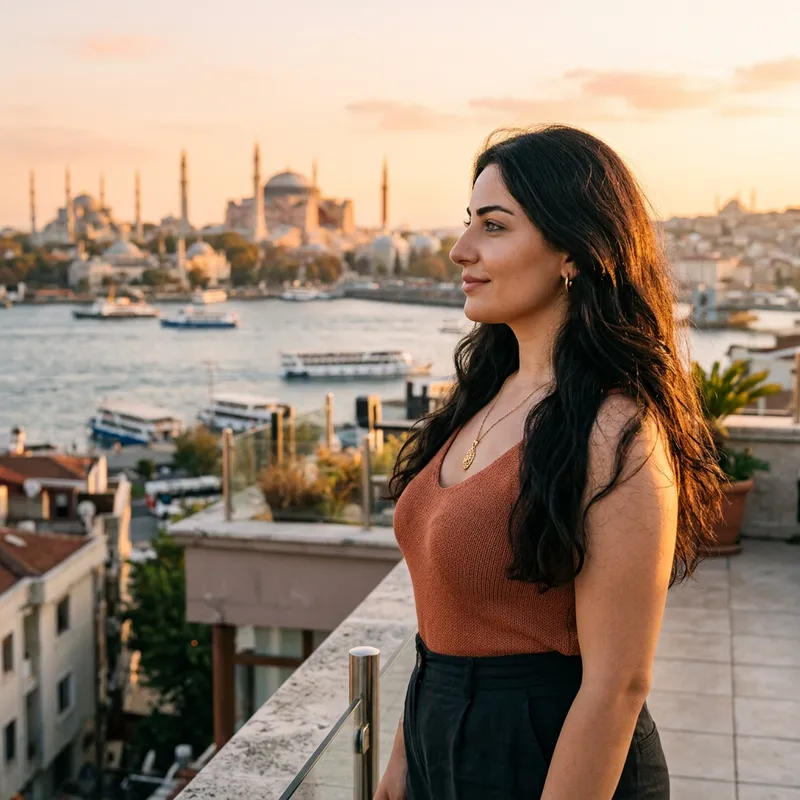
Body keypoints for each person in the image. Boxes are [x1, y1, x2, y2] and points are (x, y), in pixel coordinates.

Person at [375, 125, 722, 799]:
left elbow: (618, 686)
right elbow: (445, 621)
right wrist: (403, 758)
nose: (460, 249)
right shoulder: (486, 392)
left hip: (546, 754)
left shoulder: (616, 431)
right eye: (468, 222)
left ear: (572, 250)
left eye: (493, 226)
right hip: (440, 731)